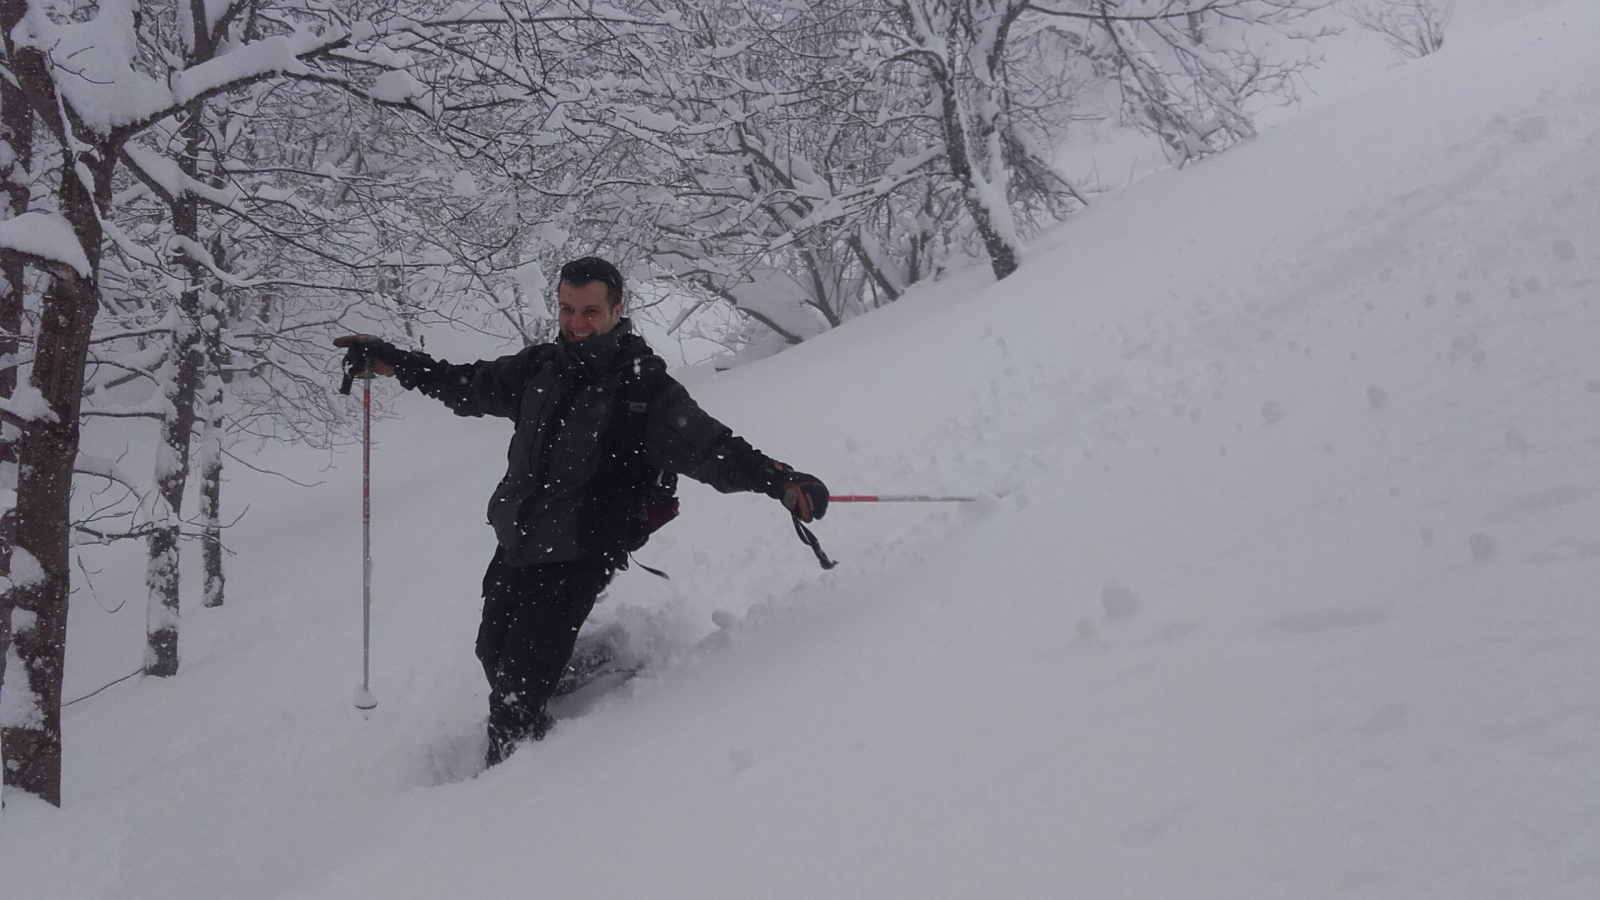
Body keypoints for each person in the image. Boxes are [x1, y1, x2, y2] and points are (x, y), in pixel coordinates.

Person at [334, 257, 828, 766]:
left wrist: (782, 480)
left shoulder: (645, 392)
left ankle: (507, 797)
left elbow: (714, 449)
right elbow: (467, 384)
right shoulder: (541, 367)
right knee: (492, 651)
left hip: (580, 549)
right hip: (520, 536)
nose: (576, 323)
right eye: (567, 309)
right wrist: (395, 363)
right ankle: (568, 669)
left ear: (617, 310)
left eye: (591, 311)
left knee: (515, 700)